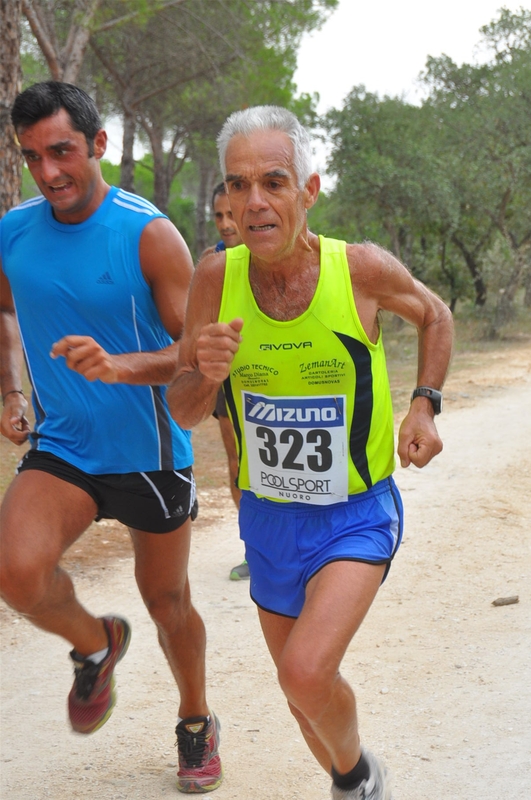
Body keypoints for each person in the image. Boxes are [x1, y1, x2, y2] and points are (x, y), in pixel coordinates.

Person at [166, 105, 453, 800]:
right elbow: (183, 409)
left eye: (273, 181)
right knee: (300, 696)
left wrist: (424, 403)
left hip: (355, 513)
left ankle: (358, 776)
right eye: (238, 185)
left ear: (308, 189)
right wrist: (201, 370)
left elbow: (435, 313)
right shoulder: (214, 278)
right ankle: (350, 779)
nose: (255, 201)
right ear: (225, 199)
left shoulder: (356, 269)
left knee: (303, 672)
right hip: (268, 520)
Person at [0, 81, 222, 794]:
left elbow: (199, 350)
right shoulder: (14, 231)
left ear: (99, 145)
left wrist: (121, 366)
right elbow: (6, 310)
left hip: (149, 451)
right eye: (32, 156)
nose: (48, 172)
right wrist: (10, 390)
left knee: (167, 602)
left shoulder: (147, 232)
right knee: (16, 574)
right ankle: (96, 644)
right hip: (63, 446)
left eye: (61, 151)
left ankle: (195, 723)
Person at [204, 183, 248, 581]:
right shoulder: (210, 263)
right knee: (238, 462)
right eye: (218, 216)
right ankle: (255, 547)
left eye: (230, 214)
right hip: (224, 379)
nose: (224, 223)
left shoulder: (267, 256)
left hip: (268, 376)